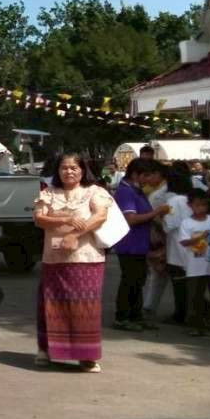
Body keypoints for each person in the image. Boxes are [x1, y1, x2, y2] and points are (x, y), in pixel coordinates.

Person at [33, 153, 114, 371]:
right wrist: (65, 219)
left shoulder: (94, 192)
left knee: (85, 306)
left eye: (73, 168)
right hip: (54, 259)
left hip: (86, 258)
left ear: (82, 170)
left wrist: (74, 235)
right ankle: (46, 350)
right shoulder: (48, 193)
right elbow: (39, 218)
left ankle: (87, 357)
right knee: (51, 304)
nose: (69, 172)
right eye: (64, 168)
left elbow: (100, 217)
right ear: (57, 171)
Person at [112, 158, 171, 331]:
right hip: (129, 244)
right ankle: (122, 316)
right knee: (130, 280)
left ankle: (135, 316)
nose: (148, 180)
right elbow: (130, 219)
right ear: (136, 174)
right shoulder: (125, 192)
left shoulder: (137, 191)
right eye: (146, 175)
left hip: (140, 244)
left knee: (139, 280)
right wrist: (156, 212)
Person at [145, 168, 192, 325]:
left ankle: (181, 314)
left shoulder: (173, 202)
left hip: (177, 248)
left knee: (179, 283)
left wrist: (156, 217)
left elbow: (167, 226)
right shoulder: (189, 200)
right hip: (192, 246)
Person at [179, 189, 210, 337]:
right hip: (194, 266)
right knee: (195, 296)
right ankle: (196, 325)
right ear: (190, 205)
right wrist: (201, 236)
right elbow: (184, 241)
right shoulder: (187, 223)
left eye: (203, 205)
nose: (201, 208)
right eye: (197, 205)